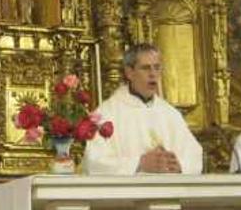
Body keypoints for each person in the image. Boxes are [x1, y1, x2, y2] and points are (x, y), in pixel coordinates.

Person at [84, 44, 203, 175]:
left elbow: (194, 154)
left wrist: (179, 165)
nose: (153, 74)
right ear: (129, 72)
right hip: (129, 194)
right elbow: (94, 161)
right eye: (146, 68)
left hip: (168, 192)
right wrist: (139, 163)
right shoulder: (106, 113)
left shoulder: (170, 114)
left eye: (157, 68)